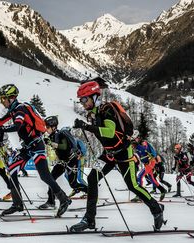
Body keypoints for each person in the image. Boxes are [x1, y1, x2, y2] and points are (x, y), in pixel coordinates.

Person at [70, 81, 164, 232]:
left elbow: (110, 132)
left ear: (94, 97)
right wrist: (87, 125)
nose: (82, 103)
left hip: (123, 153)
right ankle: (89, 219)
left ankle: (156, 209)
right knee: (92, 178)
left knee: (132, 185)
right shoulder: (94, 113)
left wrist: (87, 127)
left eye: (84, 99)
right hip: (108, 154)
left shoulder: (107, 109)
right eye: (80, 100)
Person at [0, 84, 70, 216]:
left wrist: (1, 129)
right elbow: (0, 122)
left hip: (37, 146)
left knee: (45, 176)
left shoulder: (20, 110)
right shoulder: (13, 110)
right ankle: (17, 204)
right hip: (28, 147)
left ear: (10, 98)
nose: (2, 102)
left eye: (3, 99)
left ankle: (64, 199)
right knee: (11, 170)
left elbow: (17, 126)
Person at [39, 116, 88, 209]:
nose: (46, 129)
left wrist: (51, 143)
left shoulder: (61, 134)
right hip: (63, 161)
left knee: (73, 184)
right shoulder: (52, 135)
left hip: (71, 160)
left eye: (48, 127)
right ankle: (51, 201)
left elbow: (64, 147)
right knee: (51, 179)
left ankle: (91, 192)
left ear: (54, 127)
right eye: (46, 127)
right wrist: (48, 141)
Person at [132, 136, 167, 201]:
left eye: (133, 142)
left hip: (150, 162)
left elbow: (145, 149)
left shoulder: (143, 143)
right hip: (146, 164)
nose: (132, 145)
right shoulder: (136, 147)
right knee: (152, 179)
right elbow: (140, 157)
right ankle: (162, 190)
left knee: (140, 176)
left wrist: (137, 145)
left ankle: (139, 195)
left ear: (138, 138)